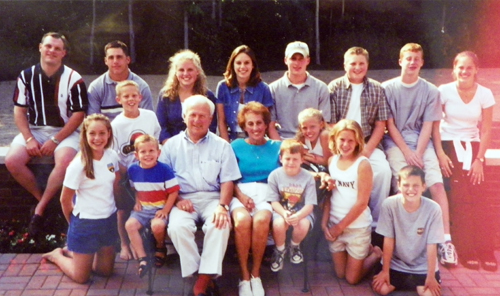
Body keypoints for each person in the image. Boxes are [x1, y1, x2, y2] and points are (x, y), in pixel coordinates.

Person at [5, 32, 88, 237]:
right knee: (12, 160)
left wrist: (56, 139)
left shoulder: (73, 78)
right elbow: (19, 111)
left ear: (64, 53)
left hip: (65, 131)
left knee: (65, 159)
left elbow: (79, 115)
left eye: (57, 48)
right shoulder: (26, 76)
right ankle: (45, 201)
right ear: (40, 47)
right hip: (35, 130)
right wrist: (29, 138)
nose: (52, 51)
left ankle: (40, 210)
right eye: (48, 46)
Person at [382, 43, 457, 267]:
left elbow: (427, 126)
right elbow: (390, 126)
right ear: (400, 61)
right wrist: (406, 152)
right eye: (408, 58)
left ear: (422, 62)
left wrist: (419, 152)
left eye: (417, 58)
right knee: (402, 186)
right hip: (396, 143)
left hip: (422, 145)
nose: (412, 62)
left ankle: (446, 241)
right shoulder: (387, 88)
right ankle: (402, 241)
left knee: (435, 185)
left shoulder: (431, 91)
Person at [159, 95, 241, 296]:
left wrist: (222, 206)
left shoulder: (222, 145)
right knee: (177, 228)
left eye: (202, 116)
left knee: (220, 225)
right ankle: (204, 277)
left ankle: (200, 283)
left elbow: (227, 181)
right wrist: (177, 199)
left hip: (213, 198)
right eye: (193, 115)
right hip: (181, 199)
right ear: (184, 117)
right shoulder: (170, 146)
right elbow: (163, 181)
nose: (197, 120)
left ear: (211, 118)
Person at [433, 51, 496, 271]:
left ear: (476, 70)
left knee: (479, 195)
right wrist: (440, 153)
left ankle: (484, 249)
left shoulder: (485, 93)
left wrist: (480, 159)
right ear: (454, 69)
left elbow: (486, 128)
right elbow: (434, 124)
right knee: (459, 196)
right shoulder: (444, 91)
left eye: (469, 67)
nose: (465, 71)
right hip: (449, 145)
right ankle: (465, 248)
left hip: (474, 148)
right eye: (461, 67)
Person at [42, 114, 120, 284]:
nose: (97, 138)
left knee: (105, 272)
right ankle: (57, 255)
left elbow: (116, 182)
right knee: (81, 277)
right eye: (92, 133)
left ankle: (74, 253)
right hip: (85, 223)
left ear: (108, 134)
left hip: (108, 221)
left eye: (102, 133)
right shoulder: (78, 164)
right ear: (84, 135)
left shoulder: (112, 155)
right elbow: (65, 200)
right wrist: (75, 224)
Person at [328, 47, 392, 236]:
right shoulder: (334, 87)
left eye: (361, 63)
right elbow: (330, 123)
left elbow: (381, 125)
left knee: (383, 172)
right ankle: (338, 217)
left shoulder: (377, 89)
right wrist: (344, 147)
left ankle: (376, 226)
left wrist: (365, 151)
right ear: (345, 65)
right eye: (353, 63)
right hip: (341, 143)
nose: (357, 67)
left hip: (367, 143)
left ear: (367, 65)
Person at [230, 102, 281, 296]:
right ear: (244, 126)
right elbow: (228, 177)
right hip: (241, 193)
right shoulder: (235, 146)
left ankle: (256, 274)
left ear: (266, 124)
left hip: (267, 195)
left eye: (259, 123)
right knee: (242, 221)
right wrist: (241, 196)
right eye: (250, 124)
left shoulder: (277, 146)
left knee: (261, 221)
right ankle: (243, 277)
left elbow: (292, 169)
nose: (255, 128)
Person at [322, 119, 382, 284]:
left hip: (356, 228)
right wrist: (324, 223)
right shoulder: (332, 161)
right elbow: (329, 195)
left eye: (351, 140)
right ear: (335, 139)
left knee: (351, 279)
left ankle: (376, 253)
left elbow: (362, 203)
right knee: (340, 274)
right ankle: (361, 254)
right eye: (342, 139)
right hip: (335, 224)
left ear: (358, 141)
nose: (346, 144)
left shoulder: (363, 165)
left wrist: (338, 228)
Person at [372, 165, 444, 296]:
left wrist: (431, 275)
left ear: (424, 186)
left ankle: (412, 281)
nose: (411, 189)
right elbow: (388, 239)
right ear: (399, 185)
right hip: (396, 262)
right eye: (406, 185)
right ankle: (404, 279)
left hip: (422, 264)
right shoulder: (389, 205)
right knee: (382, 289)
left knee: (429, 294)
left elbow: (432, 244)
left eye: (416, 185)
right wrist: (385, 271)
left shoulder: (433, 209)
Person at [111, 80, 161, 261]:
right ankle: (125, 243)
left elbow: (156, 141)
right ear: (119, 99)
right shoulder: (116, 124)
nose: (130, 99)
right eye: (126, 96)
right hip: (127, 173)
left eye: (134, 95)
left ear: (140, 97)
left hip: (149, 170)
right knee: (124, 208)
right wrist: (128, 173)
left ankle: (144, 242)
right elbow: (115, 154)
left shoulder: (149, 117)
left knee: (148, 207)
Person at [125, 135, 180, 277]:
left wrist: (165, 210)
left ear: (158, 153)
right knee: (130, 225)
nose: (148, 155)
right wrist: (136, 201)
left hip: (159, 208)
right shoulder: (133, 170)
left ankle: (160, 247)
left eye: (151, 151)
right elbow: (134, 189)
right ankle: (143, 258)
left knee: (158, 226)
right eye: (143, 152)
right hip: (142, 209)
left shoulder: (164, 169)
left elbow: (173, 192)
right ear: (136, 155)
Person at [266, 139, 317, 272]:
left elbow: (310, 204)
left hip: (302, 211)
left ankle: (294, 246)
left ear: (301, 160)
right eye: (287, 158)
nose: (291, 163)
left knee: (303, 224)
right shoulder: (274, 175)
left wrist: (299, 215)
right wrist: (284, 213)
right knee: (278, 224)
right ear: (281, 158)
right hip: (282, 210)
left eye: (295, 159)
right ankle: (280, 250)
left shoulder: (307, 177)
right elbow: (274, 201)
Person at [268, 41, 331, 140]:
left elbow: (325, 125)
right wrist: (282, 148)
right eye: (293, 59)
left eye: (301, 59)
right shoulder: (273, 89)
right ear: (285, 60)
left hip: (312, 142)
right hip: (283, 142)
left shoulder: (321, 88)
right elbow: (271, 126)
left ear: (308, 60)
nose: (297, 63)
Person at [155, 49, 217, 144]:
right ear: (175, 72)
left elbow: (211, 126)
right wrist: (170, 146)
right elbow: (161, 126)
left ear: (198, 71)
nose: (185, 74)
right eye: (181, 70)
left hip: (200, 145)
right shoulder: (165, 95)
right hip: (171, 146)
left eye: (190, 70)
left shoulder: (207, 96)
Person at [216, 45, 273, 142]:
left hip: (255, 139)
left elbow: (265, 122)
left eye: (247, 63)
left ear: (253, 65)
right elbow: (221, 121)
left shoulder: (263, 88)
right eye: (238, 63)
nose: (242, 67)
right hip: (231, 138)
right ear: (232, 65)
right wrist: (227, 147)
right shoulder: (223, 87)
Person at [87, 40, 153, 121]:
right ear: (105, 61)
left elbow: (148, 120)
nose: (115, 61)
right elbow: (92, 122)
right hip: (108, 132)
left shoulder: (141, 87)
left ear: (128, 60)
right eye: (111, 57)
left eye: (119, 57)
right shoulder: (96, 88)